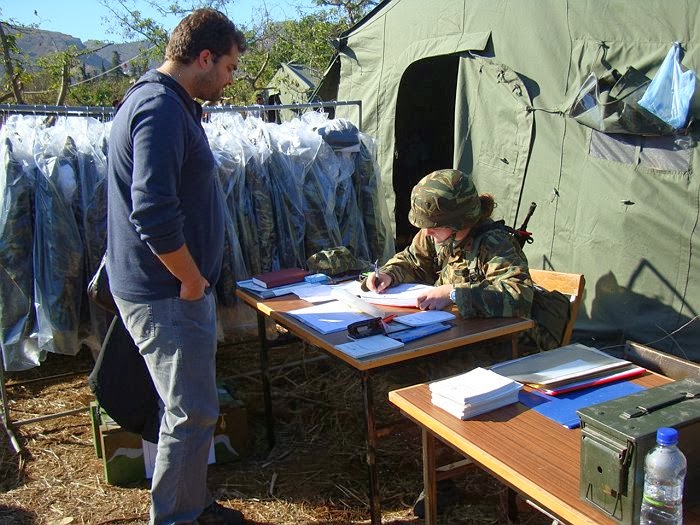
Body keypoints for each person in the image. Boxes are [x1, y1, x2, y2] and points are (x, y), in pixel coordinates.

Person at [106, 9, 247, 525]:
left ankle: (190, 504)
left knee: (187, 408)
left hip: (166, 289)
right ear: (204, 57)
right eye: (229, 67)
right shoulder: (160, 108)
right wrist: (190, 278)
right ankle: (177, 518)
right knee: (192, 413)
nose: (230, 79)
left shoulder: (165, 103)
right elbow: (151, 209)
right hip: (167, 293)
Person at [366, 169, 533, 318]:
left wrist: (454, 293)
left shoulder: (494, 244)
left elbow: (519, 296)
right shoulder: (435, 233)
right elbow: (412, 261)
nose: (427, 232)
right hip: (454, 327)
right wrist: (388, 274)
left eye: (434, 227)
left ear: (459, 222)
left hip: (499, 337)